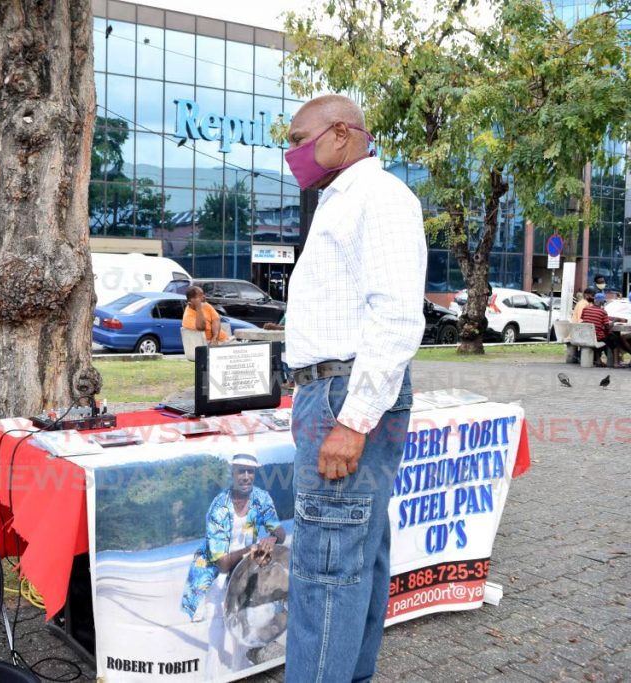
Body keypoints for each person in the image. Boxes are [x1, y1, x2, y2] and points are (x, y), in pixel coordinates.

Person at [281, 94, 426, 682]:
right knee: (353, 560)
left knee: (328, 568)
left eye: (297, 138)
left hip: (345, 394)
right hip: (336, 389)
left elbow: (395, 317)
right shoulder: (345, 199)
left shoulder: (378, 197)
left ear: (341, 133)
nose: (291, 152)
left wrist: (352, 420)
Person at [181, 453, 286, 678]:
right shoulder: (219, 507)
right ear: (233, 473)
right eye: (241, 471)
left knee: (242, 625)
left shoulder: (261, 498)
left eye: (251, 472)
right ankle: (212, 677)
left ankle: (239, 673)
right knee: (217, 629)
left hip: (245, 569)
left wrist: (271, 539)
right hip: (217, 571)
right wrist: (253, 549)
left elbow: (280, 532)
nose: (246, 477)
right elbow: (223, 564)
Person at [581, 292, 631, 366]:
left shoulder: (585, 309)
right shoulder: (602, 312)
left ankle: (598, 360)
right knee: (615, 339)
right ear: (602, 302)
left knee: (605, 336)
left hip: (587, 336)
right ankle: (616, 363)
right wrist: (615, 321)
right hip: (598, 337)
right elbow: (607, 327)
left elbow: (584, 320)